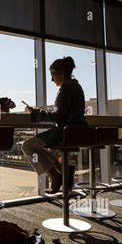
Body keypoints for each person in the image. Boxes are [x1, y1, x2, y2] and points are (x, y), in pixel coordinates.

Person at [22, 56, 87, 194]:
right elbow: (62, 112)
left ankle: (55, 174)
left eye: (53, 75)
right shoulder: (77, 86)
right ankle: (58, 167)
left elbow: (57, 116)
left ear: (61, 74)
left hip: (65, 131)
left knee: (27, 146)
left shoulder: (66, 88)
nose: (52, 79)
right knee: (37, 146)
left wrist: (35, 112)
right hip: (78, 132)